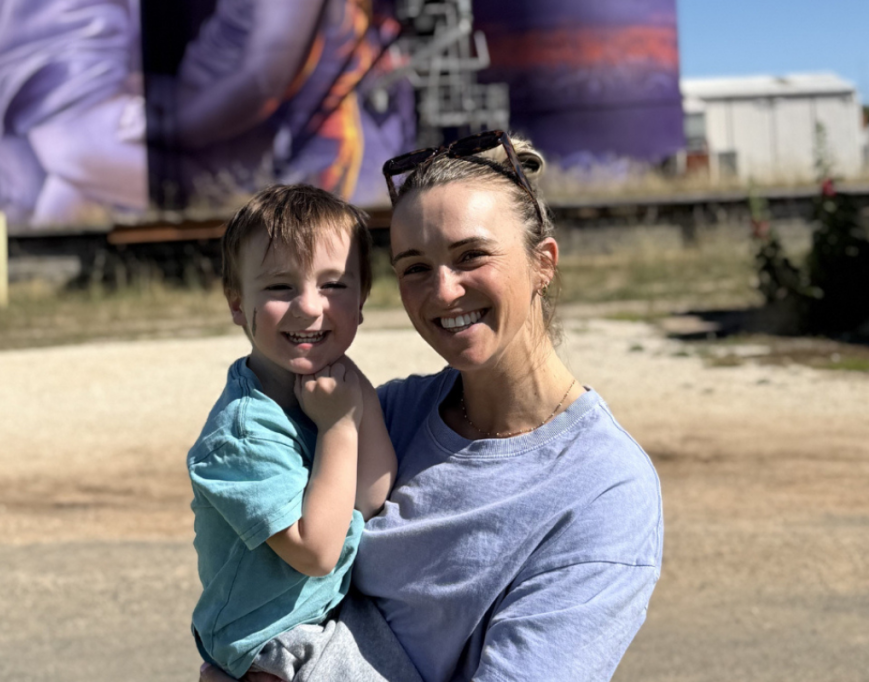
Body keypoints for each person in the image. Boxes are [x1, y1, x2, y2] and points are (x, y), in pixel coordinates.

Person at [201, 131, 663, 682]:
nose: (443, 291)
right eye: (415, 267)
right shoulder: (388, 412)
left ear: (543, 263)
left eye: (471, 256)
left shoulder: (604, 488)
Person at [188, 185, 423, 681]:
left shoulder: (337, 386)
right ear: (237, 302)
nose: (309, 307)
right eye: (280, 287)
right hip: (266, 641)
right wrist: (338, 426)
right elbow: (316, 551)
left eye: (333, 285)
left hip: (322, 616)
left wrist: (354, 399)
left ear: (361, 300)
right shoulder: (242, 434)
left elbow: (370, 495)